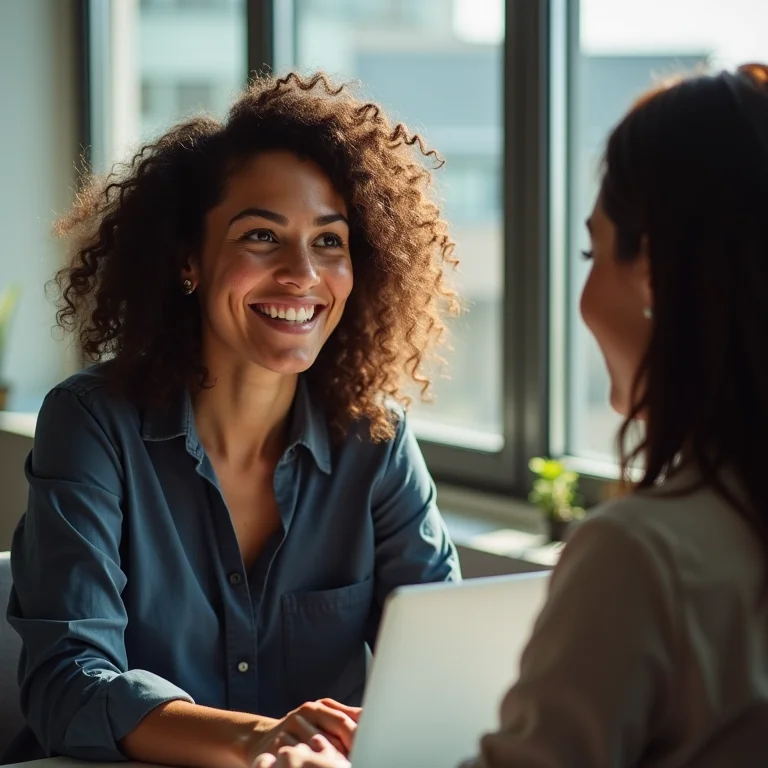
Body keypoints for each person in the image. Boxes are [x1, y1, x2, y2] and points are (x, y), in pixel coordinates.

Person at [259, 62, 768, 767]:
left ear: (650, 271)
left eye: (592, 251)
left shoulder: (644, 556)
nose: (300, 273)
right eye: (261, 236)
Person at [2, 72, 462, 767]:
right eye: (260, 236)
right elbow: (68, 684)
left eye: (330, 242)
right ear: (188, 259)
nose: (302, 274)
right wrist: (262, 740)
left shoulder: (377, 441)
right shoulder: (92, 424)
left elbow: (443, 665)